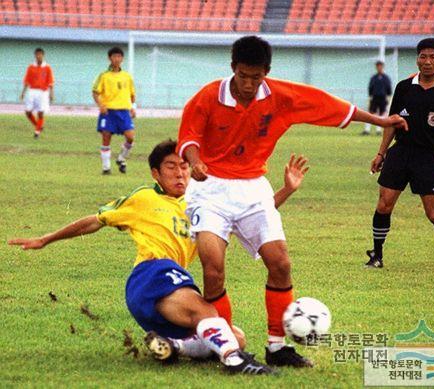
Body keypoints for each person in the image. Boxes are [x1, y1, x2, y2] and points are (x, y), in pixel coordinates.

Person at [176, 35, 408, 368]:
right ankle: (228, 347)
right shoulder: (209, 96)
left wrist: (381, 121)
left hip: (253, 186)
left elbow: (331, 107)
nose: (249, 84)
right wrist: (196, 160)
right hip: (209, 188)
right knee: (213, 270)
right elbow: (189, 136)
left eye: (257, 77)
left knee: (281, 263)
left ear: (266, 73)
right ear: (233, 69)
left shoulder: (281, 96)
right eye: (243, 76)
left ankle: (277, 347)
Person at [9, 140, 309, 374]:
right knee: (215, 322)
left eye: (184, 166)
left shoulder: (204, 206)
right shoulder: (143, 198)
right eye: (170, 167)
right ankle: (234, 361)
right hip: (152, 275)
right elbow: (94, 221)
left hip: (168, 296)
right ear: (155, 172)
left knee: (236, 335)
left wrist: (287, 189)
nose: (180, 173)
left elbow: (251, 216)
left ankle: (174, 346)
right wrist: (46, 239)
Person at [365, 38, 434, 271]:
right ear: (417, 59)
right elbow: (392, 122)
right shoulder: (404, 87)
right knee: (384, 205)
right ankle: (377, 256)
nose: (428, 61)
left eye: (433, 57)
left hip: (428, 156)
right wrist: (381, 153)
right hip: (400, 153)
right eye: (423, 56)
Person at [92, 47, 136, 175]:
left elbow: (132, 95)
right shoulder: (104, 75)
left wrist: (133, 107)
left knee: (130, 138)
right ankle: (106, 168)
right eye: (114, 56)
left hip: (124, 112)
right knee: (106, 138)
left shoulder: (127, 76)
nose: (117, 59)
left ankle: (121, 158)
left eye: (119, 56)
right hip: (108, 112)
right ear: (109, 58)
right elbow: (95, 92)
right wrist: (101, 105)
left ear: (122, 59)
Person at [20, 48, 54, 139]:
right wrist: (23, 92)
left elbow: (50, 82)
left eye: (40, 54)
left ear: (43, 55)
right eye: (37, 54)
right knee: (27, 112)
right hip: (32, 91)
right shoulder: (31, 67)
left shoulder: (47, 67)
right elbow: (27, 81)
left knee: (40, 113)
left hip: (43, 92)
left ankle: (37, 132)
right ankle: (38, 126)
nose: (38, 56)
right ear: (35, 55)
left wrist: (51, 93)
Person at [361, 60, 392, 136]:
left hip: (383, 98)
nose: (379, 67)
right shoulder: (373, 78)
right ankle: (367, 130)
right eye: (378, 66)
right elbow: (370, 88)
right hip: (374, 98)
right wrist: (370, 98)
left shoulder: (386, 78)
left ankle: (379, 130)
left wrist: (388, 98)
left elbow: (389, 89)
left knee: (382, 114)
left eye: (380, 66)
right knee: (370, 113)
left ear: (383, 67)